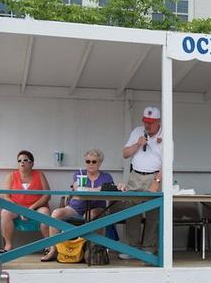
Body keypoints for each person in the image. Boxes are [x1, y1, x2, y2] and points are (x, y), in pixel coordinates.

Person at [42, 149, 114, 262]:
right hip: (75, 208)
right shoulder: (79, 174)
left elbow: (108, 191)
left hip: (96, 208)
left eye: (94, 161)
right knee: (56, 213)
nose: (90, 164)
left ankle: (93, 250)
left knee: (91, 215)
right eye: (88, 161)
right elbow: (77, 189)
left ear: (100, 163)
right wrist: (96, 189)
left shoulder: (106, 177)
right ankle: (53, 250)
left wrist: (90, 189)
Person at [114, 106, 163, 259]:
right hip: (135, 175)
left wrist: (157, 181)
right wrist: (137, 144)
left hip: (154, 176)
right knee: (132, 211)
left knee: (153, 214)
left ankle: (149, 247)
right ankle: (132, 247)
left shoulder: (166, 136)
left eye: (151, 122)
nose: (147, 125)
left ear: (158, 122)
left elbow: (168, 163)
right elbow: (125, 154)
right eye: (145, 122)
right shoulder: (137, 132)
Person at [0, 150, 51, 252]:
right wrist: (19, 210)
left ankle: (48, 246)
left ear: (31, 163)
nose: (22, 162)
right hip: (16, 208)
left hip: (36, 207)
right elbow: (6, 196)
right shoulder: (11, 176)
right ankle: (8, 246)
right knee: (5, 212)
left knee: (45, 212)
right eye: (19, 161)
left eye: (25, 160)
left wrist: (31, 208)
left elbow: (47, 195)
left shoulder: (39, 175)